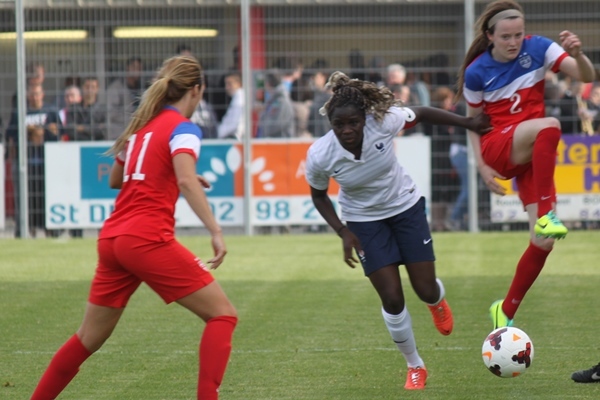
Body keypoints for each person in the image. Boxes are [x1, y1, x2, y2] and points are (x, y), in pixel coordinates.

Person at [30, 55, 237, 400]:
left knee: (87, 339)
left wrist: (168, 170)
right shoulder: (184, 128)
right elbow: (186, 181)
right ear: (197, 90)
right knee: (223, 315)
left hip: (113, 239)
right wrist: (215, 231)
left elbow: (117, 178)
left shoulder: (143, 126)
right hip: (145, 239)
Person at [304, 71, 491, 390]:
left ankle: (436, 302)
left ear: (364, 118)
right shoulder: (320, 155)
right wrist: (342, 231)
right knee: (391, 297)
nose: (347, 130)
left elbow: (421, 113)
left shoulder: (384, 121)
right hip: (363, 221)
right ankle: (415, 365)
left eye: (353, 122)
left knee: (425, 288)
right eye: (339, 125)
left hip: (405, 208)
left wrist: (469, 123)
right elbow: (319, 196)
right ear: (330, 125)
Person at [456, 0, 595, 329]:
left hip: (532, 149)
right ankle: (548, 216)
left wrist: (577, 54)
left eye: (518, 35)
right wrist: (482, 166)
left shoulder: (540, 48)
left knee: (543, 242)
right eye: (505, 36)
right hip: (499, 147)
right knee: (550, 125)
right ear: (490, 36)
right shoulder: (477, 71)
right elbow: (474, 123)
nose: (513, 42)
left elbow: (588, 76)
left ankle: (504, 309)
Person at [106, 57, 144, 140]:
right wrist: (133, 119)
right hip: (118, 134)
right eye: (134, 67)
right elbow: (112, 113)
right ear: (127, 68)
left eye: (139, 68)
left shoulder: (141, 88)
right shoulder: (116, 87)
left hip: (136, 134)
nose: (137, 71)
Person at [217, 71, 245, 140]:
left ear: (239, 83)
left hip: (234, 139)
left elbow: (234, 124)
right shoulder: (236, 97)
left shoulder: (240, 98)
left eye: (229, 84)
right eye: (226, 84)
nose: (227, 87)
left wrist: (219, 132)